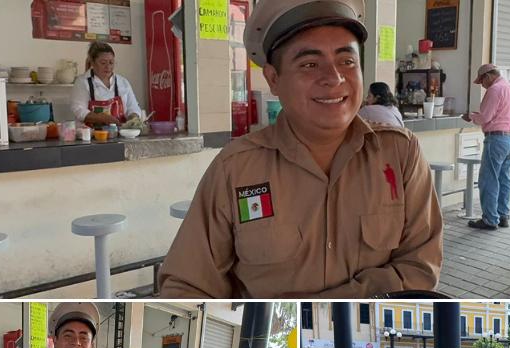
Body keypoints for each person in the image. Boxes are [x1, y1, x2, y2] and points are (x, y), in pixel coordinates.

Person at [158, 0, 442, 298]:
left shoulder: (399, 154)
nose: (334, 77)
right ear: (274, 79)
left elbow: (420, 268)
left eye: (347, 61)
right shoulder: (236, 168)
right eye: (309, 64)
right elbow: (187, 285)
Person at [461, 63, 510, 231]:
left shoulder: (494, 90)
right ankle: (503, 215)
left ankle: (489, 219)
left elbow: (485, 117)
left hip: (496, 139)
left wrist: (471, 116)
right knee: (504, 179)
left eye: (482, 81)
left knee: (489, 180)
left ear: (488, 76)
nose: (482, 85)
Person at [71, 41, 142, 128]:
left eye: (111, 62)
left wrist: (133, 118)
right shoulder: (83, 82)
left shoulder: (123, 82)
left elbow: (133, 107)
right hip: (92, 137)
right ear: (92, 63)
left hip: (120, 135)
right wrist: (102, 118)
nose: (108, 67)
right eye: (103, 63)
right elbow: (79, 110)